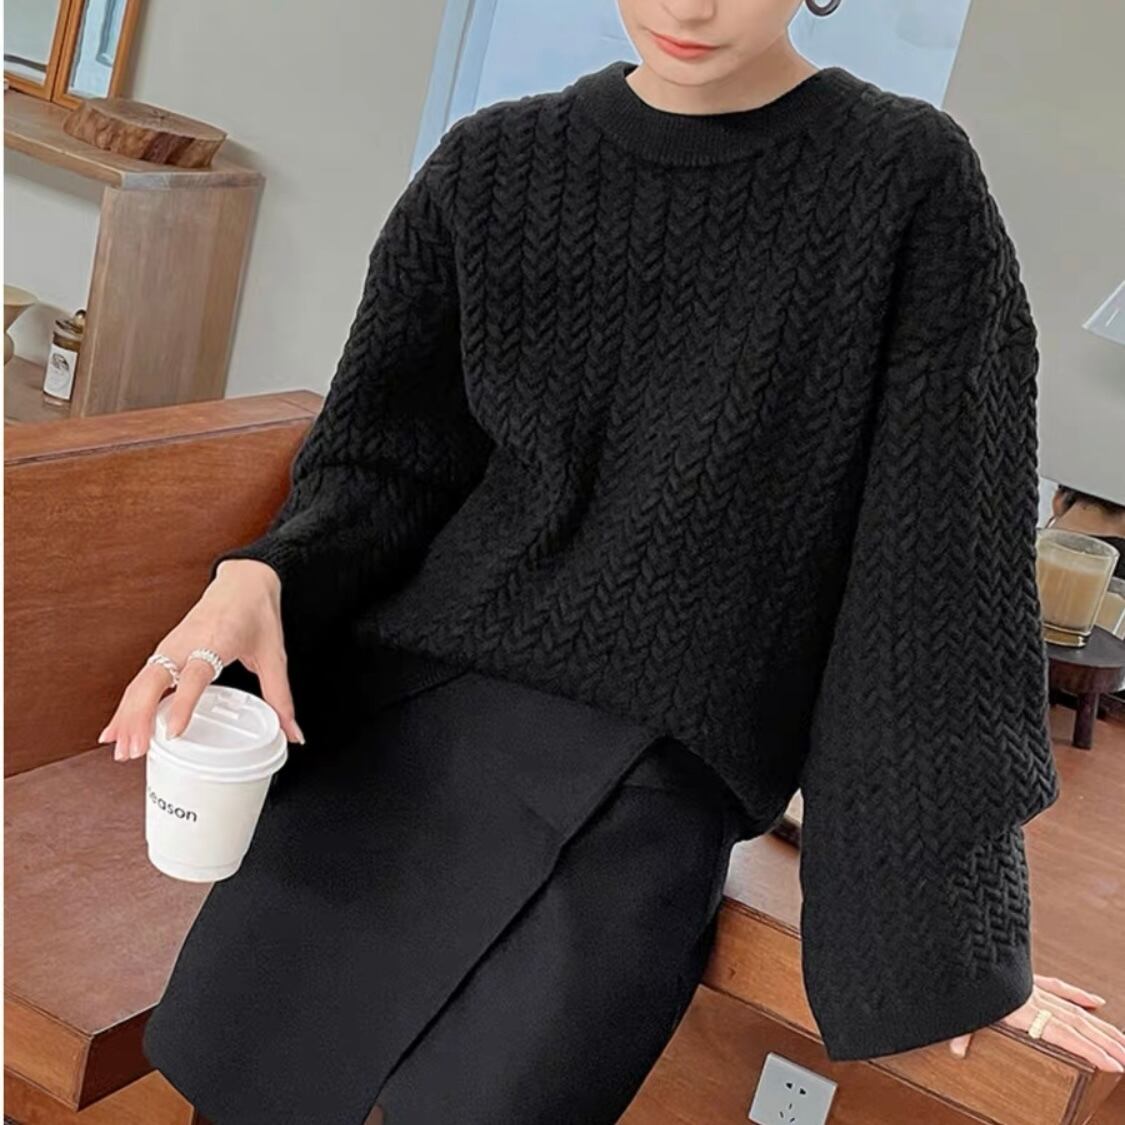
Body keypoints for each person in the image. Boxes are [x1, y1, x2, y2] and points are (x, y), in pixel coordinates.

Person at [100, 1, 1125, 1120]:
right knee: (243, 1080)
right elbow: (382, 466)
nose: (688, 5)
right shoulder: (491, 163)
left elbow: (936, 569)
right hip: (391, 736)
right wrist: (260, 573)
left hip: (646, 787)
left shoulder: (907, 184)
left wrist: (949, 924)